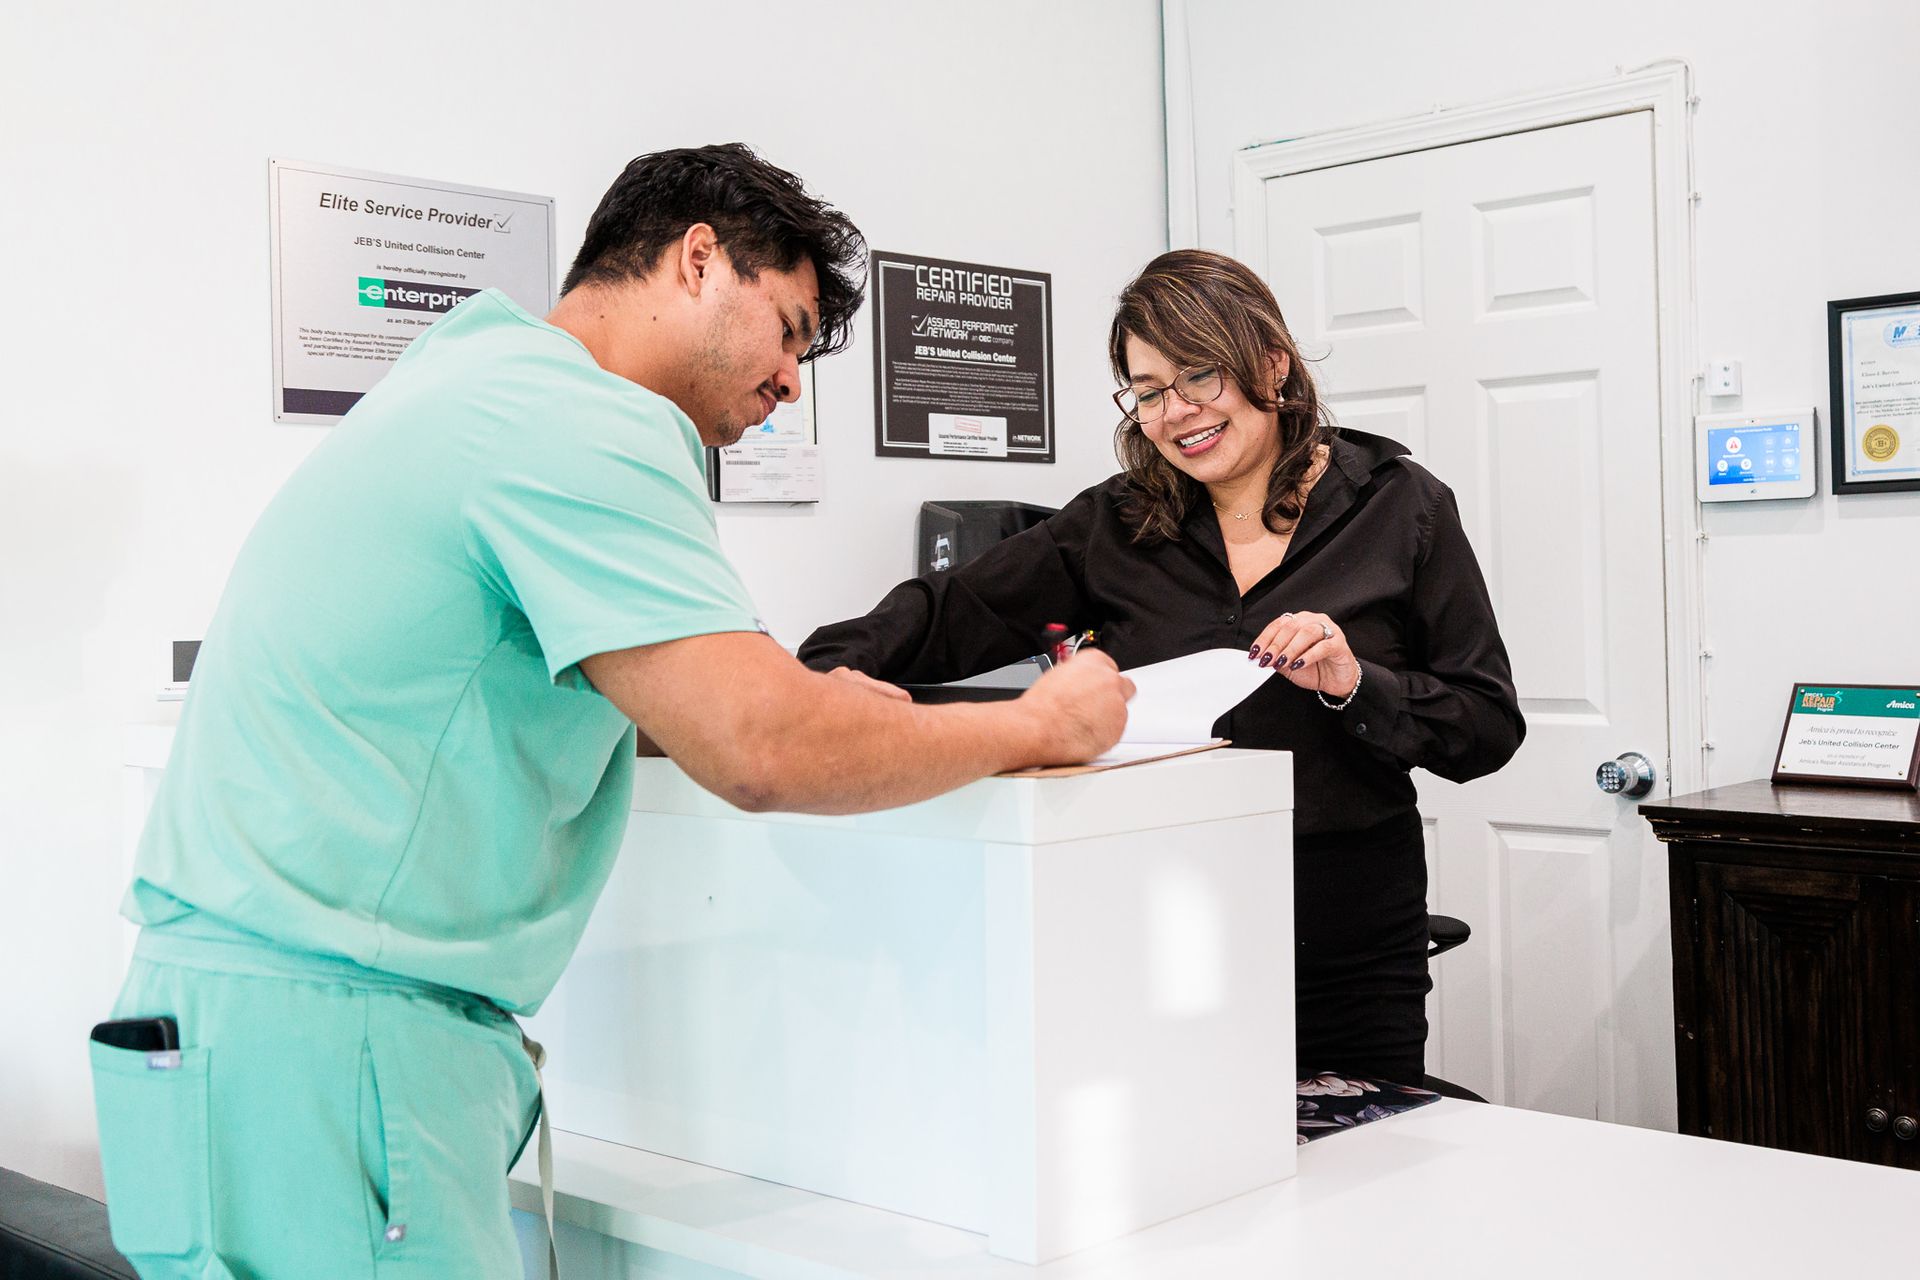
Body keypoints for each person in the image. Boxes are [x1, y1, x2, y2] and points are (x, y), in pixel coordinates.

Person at [89, 144, 1132, 1280]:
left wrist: (802, 701)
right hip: (334, 1046)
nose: (792, 382)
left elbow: (580, 682)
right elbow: (761, 748)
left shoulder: (473, 380)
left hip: (222, 1033)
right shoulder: (578, 422)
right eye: (788, 330)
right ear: (697, 262)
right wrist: (1041, 725)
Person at [800, 248, 1524, 1087]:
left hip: (1345, 929)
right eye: (1148, 392)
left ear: (1271, 364)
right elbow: (947, 615)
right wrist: (815, 678)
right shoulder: (1114, 522)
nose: (1176, 412)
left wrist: (1355, 681)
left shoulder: (1402, 506)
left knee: (1363, 1162)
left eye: (1199, 377)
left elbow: (1486, 727)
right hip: (1154, 920)